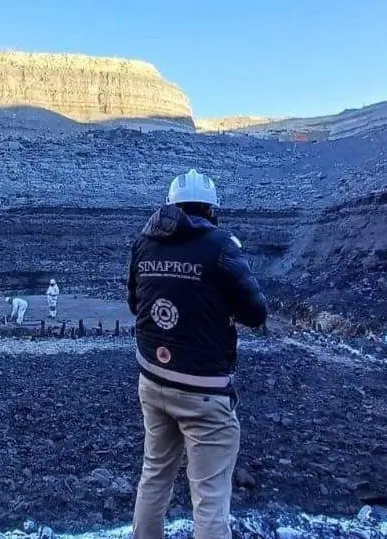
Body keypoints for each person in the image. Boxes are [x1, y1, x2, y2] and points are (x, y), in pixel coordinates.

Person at [126, 168, 267, 539]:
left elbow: (133, 303)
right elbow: (256, 313)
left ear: (170, 205)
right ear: (211, 210)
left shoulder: (144, 241)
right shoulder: (222, 246)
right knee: (209, 496)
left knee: (154, 475)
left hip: (152, 379)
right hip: (204, 390)